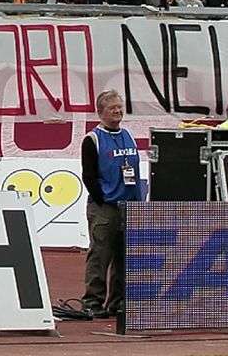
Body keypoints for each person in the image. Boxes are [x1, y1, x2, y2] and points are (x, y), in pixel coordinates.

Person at [76, 89, 143, 320]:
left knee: (124, 256)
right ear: (100, 112)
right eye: (112, 107)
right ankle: (92, 301)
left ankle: (118, 301)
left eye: (119, 106)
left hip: (128, 204)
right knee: (100, 255)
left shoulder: (129, 135)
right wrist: (102, 198)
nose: (117, 111)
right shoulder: (92, 139)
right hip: (105, 206)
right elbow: (88, 175)